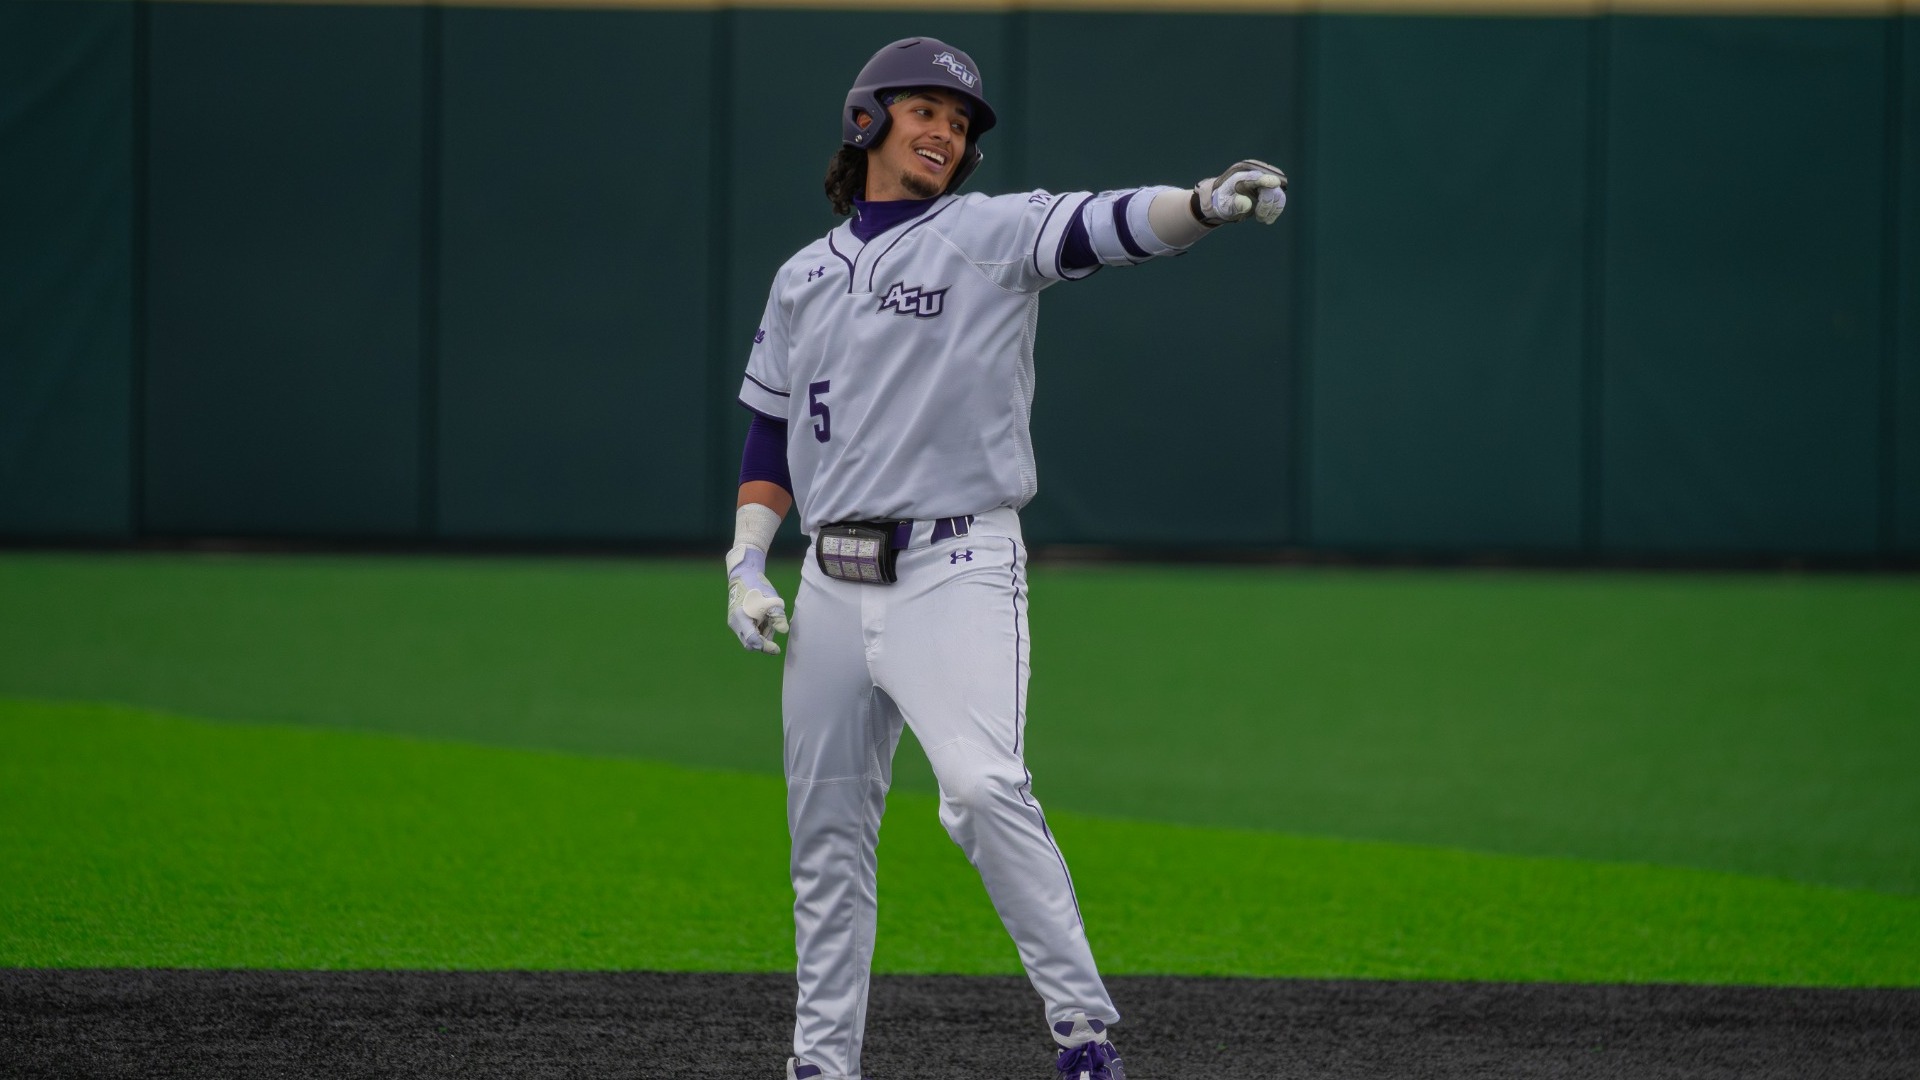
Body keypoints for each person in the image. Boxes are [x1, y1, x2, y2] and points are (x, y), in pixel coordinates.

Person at [723, 36, 1287, 1080]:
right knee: (827, 843)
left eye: (961, 119)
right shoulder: (802, 275)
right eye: (925, 109)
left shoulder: (983, 233)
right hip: (829, 588)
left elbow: (1106, 224)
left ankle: (1083, 1037)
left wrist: (1203, 204)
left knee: (982, 789)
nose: (946, 129)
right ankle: (820, 1064)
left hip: (955, 567)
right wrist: (748, 565)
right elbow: (769, 434)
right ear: (868, 119)